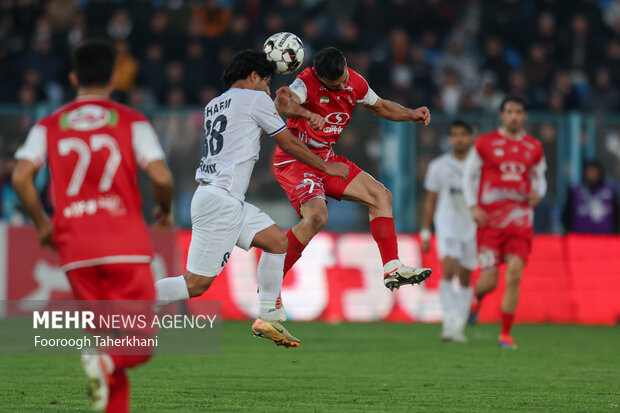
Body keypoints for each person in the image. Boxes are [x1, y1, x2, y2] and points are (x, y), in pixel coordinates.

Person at [12, 39, 174, 412]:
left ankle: (105, 369)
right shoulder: (132, 120)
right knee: (139, 342)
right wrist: (164, 210)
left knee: (108, 342)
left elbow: (21, 176)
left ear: (73, 78)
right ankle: (104, 362)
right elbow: (162, 178)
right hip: (124, 244)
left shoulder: (48, 125)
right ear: (114, 77)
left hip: (75, 247)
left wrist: (42, 223)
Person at [154, 50, 349, 348]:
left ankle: (268, 315)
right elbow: (285, 141)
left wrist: (301, 112)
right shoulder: (254, 99)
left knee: (277, 241)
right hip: (221, 201)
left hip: (220, 197)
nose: (269, 91)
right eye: (267, 82)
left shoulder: (214, 104)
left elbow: (246, 133)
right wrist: (325, 166)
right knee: (194, 285)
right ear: (254, 76)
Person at [273, 47, 432, 301]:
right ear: (321, 78)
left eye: (345, 78)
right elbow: (282, 104)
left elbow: (380, 107)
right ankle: (272, 277)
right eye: (336, 86)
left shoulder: (355, 82)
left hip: (326, 158)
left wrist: (411, 114)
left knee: (381, 196)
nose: (343, 86)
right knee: (317, 217)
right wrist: (306, 113)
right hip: (296, 159)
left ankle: (392, 268)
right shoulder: (305, 82)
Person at [463, 96, 547, 350]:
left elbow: (540, 177)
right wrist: (473, 206)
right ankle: (476, 299)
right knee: (490, 282)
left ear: (524, 116)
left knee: (513, 275)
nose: (513, 116)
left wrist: (539, 192)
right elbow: (469, 176)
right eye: (509, 111)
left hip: (520, 220)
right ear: (502, 115)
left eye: (518, 112)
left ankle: (505, 335)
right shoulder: (485, 143)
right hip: (490, 222)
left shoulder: (534, 146)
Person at [421, 120, 477, 343]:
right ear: (450, 139)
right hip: (447, 222)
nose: (459, 139)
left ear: (470, 137)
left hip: (471, 225)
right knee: (449, 267)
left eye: (463, 134)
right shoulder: (439, 166)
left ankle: (458, 326)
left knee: (465, 277)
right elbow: (430, 201)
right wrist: (426, 232)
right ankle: (448, 322)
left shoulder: (479, 166)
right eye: (455, 135)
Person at [562, 159, 620, 234]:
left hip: (605, 239)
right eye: (589, 171)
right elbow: (567, 214)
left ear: (600, 172)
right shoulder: (575, 191)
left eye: (594, 171)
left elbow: (616, 215)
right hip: (579, 239)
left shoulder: (611, 190)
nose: (592, 174)